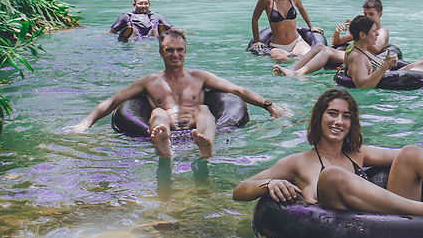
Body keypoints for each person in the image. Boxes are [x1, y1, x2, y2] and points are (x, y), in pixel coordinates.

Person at [233, 89, 423, 218]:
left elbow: (415, 158)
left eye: (346, 116)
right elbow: (240, 190)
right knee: (332, 176)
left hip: (390, 221)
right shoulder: (298, 162)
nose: (339, 121)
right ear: (319, 118)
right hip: (348, 234)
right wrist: (268, 184)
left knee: (411, 152)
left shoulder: (359, 154)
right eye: (332, 114)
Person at [69, 29, 285, 158]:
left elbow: (237, 90)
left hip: (196, 126)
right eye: (169, 50)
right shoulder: (149, 81)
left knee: (202, 108)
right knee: (158, 114)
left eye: (179, 50)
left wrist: (269, 105)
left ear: (185, 51)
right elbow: (114, 100)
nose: (175, 54)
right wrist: (85, 123)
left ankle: (206, 146)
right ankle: (164, 148)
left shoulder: (199, 76)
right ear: (161, 52)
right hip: (167, 128)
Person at [273, 0, 396, 77]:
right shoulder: (363, 31)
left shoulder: (382, 31)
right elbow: (336, 42)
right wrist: (343, 31)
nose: (367, 17)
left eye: (371, 14)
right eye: (365, 14)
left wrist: (359, 32)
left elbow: (376, 48)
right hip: (357, 53)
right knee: (320, 46)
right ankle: (293, 69)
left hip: (368, 58)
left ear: (380, 15)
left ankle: (298, 73)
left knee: (326, 51)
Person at [251, 0, 323, 61]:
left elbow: (301, 9)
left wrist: (311, 26)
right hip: (277, 46)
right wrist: (257, 41)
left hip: (297, 42)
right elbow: (255, 19)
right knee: (285, 60)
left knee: (310, 58)